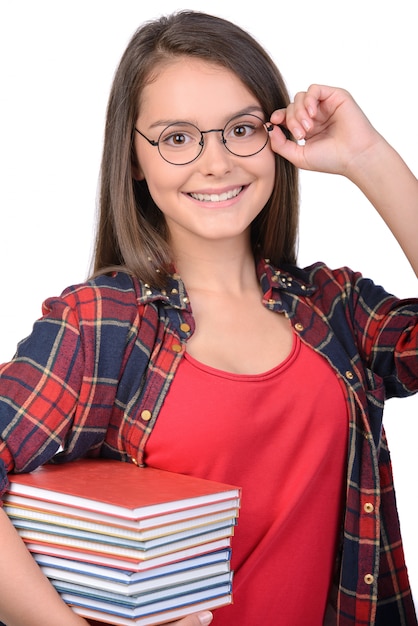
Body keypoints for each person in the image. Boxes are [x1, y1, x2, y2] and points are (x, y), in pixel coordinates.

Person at [0, 9, 417, 626]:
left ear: (275, 137)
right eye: (176, 137)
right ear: (135, 160)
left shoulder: (335, 309)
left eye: (241, 130)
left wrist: (367, 156)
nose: (216, 163)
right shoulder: (101, 325)